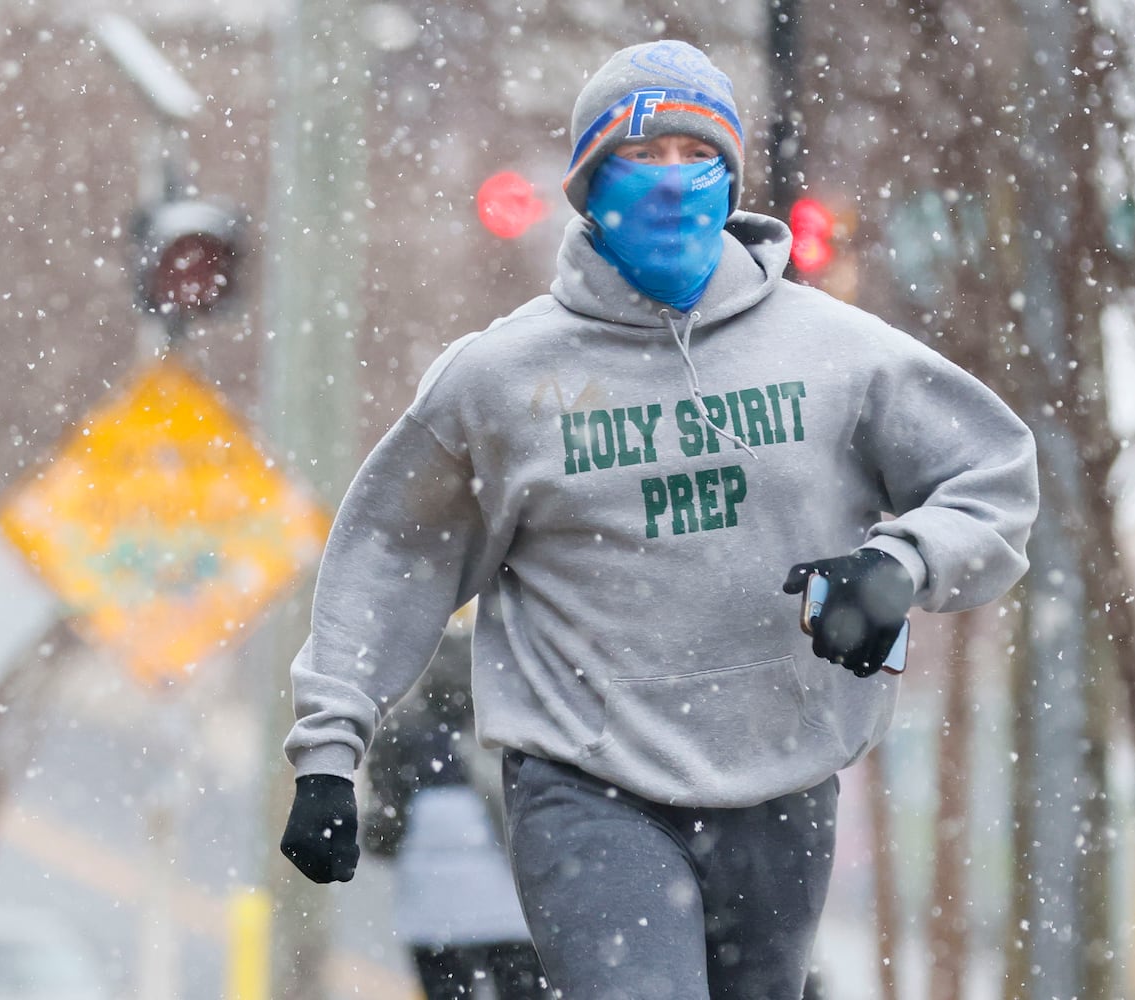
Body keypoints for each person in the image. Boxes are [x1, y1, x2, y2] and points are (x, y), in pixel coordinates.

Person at [279, 39, 1039, 1000]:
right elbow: (391, 555)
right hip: (585, 784)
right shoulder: (501, 380)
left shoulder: (835, 354)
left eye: (700, 157)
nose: (675, 183)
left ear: (731, 179)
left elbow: (995, 476)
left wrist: (899, 567)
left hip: (780, 775)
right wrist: (328, 752)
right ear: (590, 186)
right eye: (645, 159)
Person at [361, 620, 552, 999]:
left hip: (433, 917)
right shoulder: (510, 727)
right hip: (513, 913)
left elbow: (383, 835)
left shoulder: (401, 733)